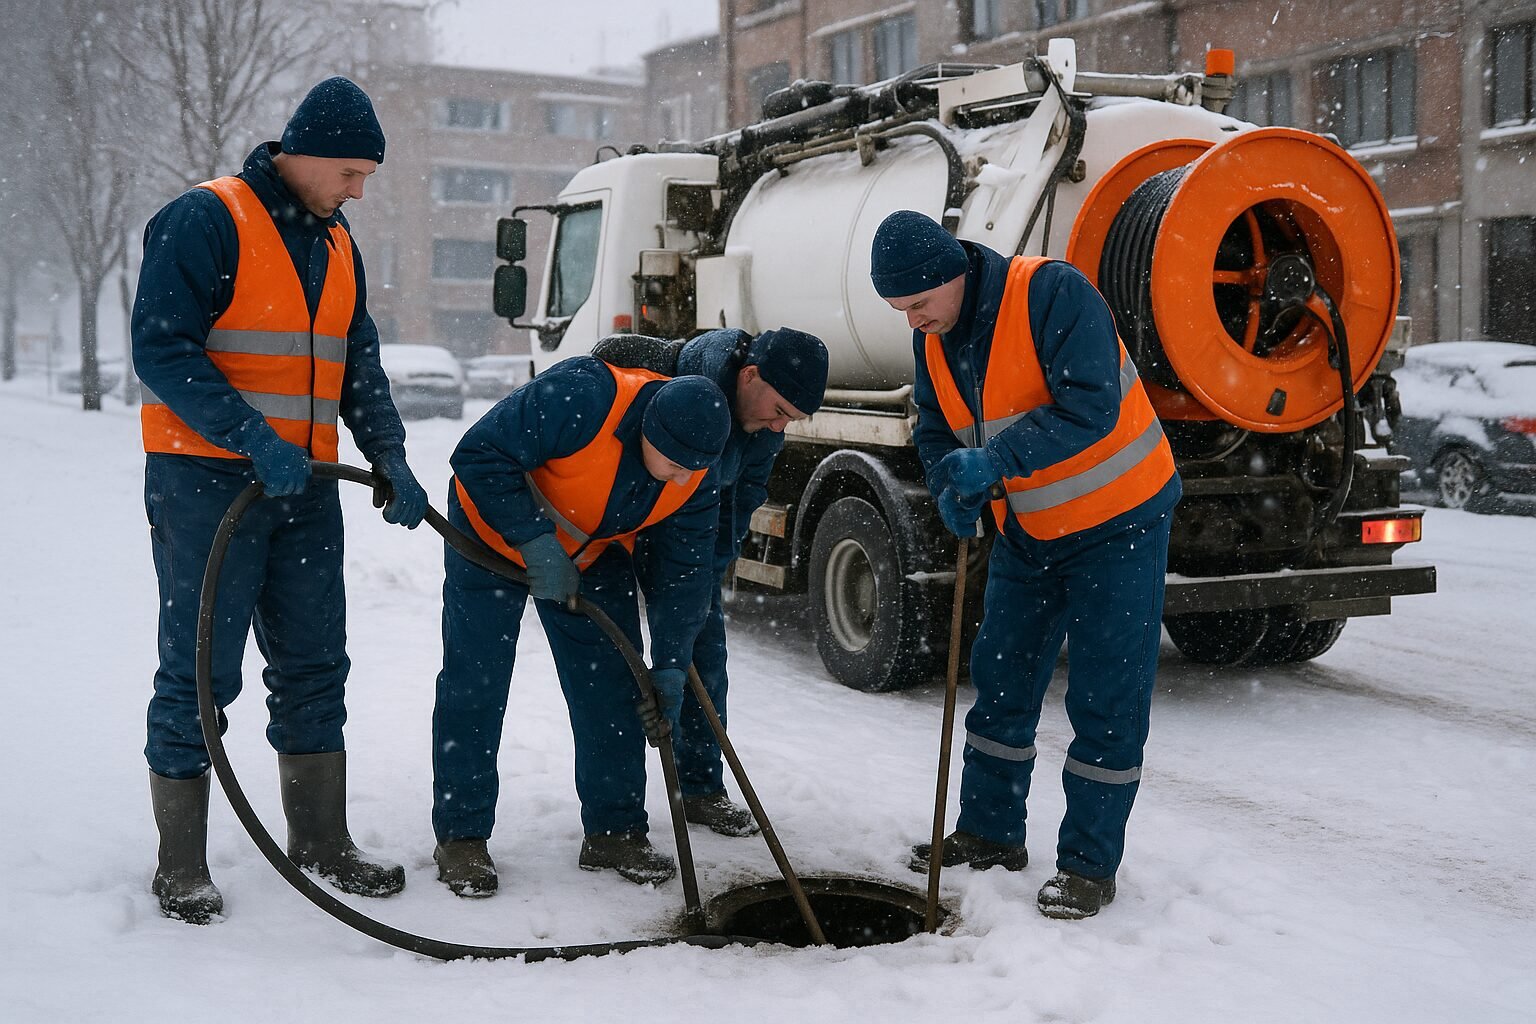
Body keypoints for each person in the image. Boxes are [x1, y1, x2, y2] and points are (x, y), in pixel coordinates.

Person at [133, 77, 429, 925]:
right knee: (200, 672)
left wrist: (392, 453)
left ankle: (320, 840)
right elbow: (161, 348)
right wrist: (250, 436)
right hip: (206, 484)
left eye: (367, 175)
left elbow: (356, 360)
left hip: (304, 491)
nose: (358, 190)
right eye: (349, 172)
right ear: (300, 152)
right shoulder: (206, 218)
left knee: (313, 666)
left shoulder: (338, 244)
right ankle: (179, 864)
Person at [869, 210, 1181, 920]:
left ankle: (1087, 865)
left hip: (1119, 522)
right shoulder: (936, 338)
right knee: (1002, 677)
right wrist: (950, 481)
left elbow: (1091, 408)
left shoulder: (1050, 294)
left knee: (1106, 695)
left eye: (919, 303)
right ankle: (989, 832)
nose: (913, 321)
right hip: (1030, 530)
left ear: (954, 272)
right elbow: (933, 424)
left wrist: (997, 462)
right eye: (901, 310)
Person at [430, 359, 731, 897]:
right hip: (488, 536)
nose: (685, 477)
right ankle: (462, 838)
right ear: (649, 431)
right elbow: (477, 455)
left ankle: (615, 832)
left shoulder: (698, 474)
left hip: (590, 556)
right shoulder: (584, 397)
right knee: (475, 684)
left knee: (613, 687)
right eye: (676, 462)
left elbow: (685, 576)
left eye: (696, 468)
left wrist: (670, 664)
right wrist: (534, 540)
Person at [592, 327, 828, 837]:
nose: (778, 425)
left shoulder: (764, 428)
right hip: (615, 527)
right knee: (616, 668)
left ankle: (700, 790)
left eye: (791, 419)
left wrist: (708, 569)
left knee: (703, 658)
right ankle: (616, 821)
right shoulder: (663, 380)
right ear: (748, 375)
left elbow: (743, 497)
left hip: (687, 536)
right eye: (780, 409)